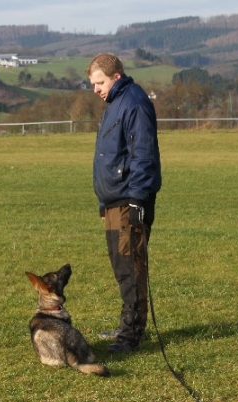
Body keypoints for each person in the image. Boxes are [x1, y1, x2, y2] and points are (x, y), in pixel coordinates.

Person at [86, 53, 162, 354]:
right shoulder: (115, 103)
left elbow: (143, 154)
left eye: (99, 82)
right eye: (92, 83)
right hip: (114, 200)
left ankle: (131, 335)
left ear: (116, 76)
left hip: (129, 199)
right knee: (123, 265)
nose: (95, 89)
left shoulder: (133, 102)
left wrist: (137, 200)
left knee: (131, 266)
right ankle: (128, 325)